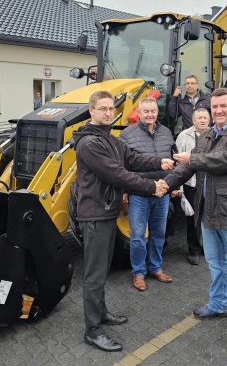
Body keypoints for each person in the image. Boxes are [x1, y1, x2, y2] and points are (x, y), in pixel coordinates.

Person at [163, 87, 227, 354]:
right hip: (209, 211)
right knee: (216, 263)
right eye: (215, 107)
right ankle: (219, 304)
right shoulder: (208, 134)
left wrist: (193, 158)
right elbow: (189, 167)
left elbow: (226, 160)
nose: (218, 111)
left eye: (223, 106)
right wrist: (163, 184)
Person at [73, 90, 172, 352]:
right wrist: (152, 186)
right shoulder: (89, 143)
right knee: (94, 275)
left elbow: (131, 158)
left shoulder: (109, 138)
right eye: (102, 108)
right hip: (95, 214)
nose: (108, 113)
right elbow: (117, 174)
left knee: (103, 269)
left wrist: (159, 162)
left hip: (107, 211)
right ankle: (93, 331)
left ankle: (101, 312)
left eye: (111, 109)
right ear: (91, 110)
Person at [119, 97, 176, 292]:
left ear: (157, 112)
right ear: (139, 113)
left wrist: (173, 184)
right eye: (146, 111)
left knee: (159, 233)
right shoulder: (127, 135)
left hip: (162, 192)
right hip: (139, 192)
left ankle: (155, 268)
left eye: (153, 111)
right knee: (137, 236)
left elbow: (174, 161)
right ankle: (138, 272)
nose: (150, 115)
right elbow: (121, 166)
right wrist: (124, 189)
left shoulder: (166, 132)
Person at [174, 107, 210, 265]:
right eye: (199, 118)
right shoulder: (184, 135)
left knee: (209, 218)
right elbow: (177, 160)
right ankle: (194, 250)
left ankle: (208, 248)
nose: (202, 120)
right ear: (193, 120)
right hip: (192, 184)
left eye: (205, 118)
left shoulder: (215, 135)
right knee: (193, 219)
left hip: (209, 184)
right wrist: (178, 186)